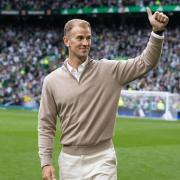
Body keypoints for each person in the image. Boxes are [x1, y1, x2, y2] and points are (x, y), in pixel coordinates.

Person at [38, 7, 169, 180]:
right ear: (66, 41)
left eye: (88, 38)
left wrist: (157, 32)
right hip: (69, 162)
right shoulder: (52, 81)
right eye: (80, 38)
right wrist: (46, 162)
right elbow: (46, 125)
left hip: (102, 159)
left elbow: (145, 62)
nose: (86, 43)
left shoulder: (110, 70)